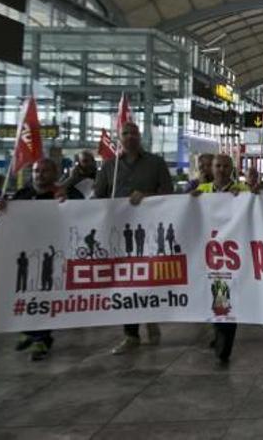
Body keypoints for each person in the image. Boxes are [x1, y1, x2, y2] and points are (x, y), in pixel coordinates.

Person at [94, 121, 173, 355]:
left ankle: (150, 315)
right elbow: (98, 198)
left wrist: (147, 196)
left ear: (140, 136)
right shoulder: (110, 166)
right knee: (126, 282)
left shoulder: (156, 164)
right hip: (119, 234)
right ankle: (131, 334)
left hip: (149, 233)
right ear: (120, 138)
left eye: (134, 133)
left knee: (148, 277)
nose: (130, 136)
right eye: (125, 133)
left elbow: (168, 194)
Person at [0, 158, 83, 360]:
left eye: (45, 171)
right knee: (26, 294)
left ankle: (41, 338)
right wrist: (0, 207)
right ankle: (30, 331)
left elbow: (84, 212)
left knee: (46, 295)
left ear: (54, 173)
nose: (39, 175)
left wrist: (68, 203)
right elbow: (8, 216)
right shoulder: (23, 194)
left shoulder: (66, 194)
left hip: (53, 255)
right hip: (25, 255)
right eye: (36, 171)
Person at [190, 154, 254, 364]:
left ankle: (224, 344)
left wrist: (250, 195)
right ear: (211, 167)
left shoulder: (242, 191)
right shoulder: (202, 191)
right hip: (208, 254)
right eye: (218, 165)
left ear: (232, 169)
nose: (221, 169)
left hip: (234, 255)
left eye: (226, 166)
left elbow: (256, 205)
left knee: (228, 298)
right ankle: (219, 335)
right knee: (212, 295)